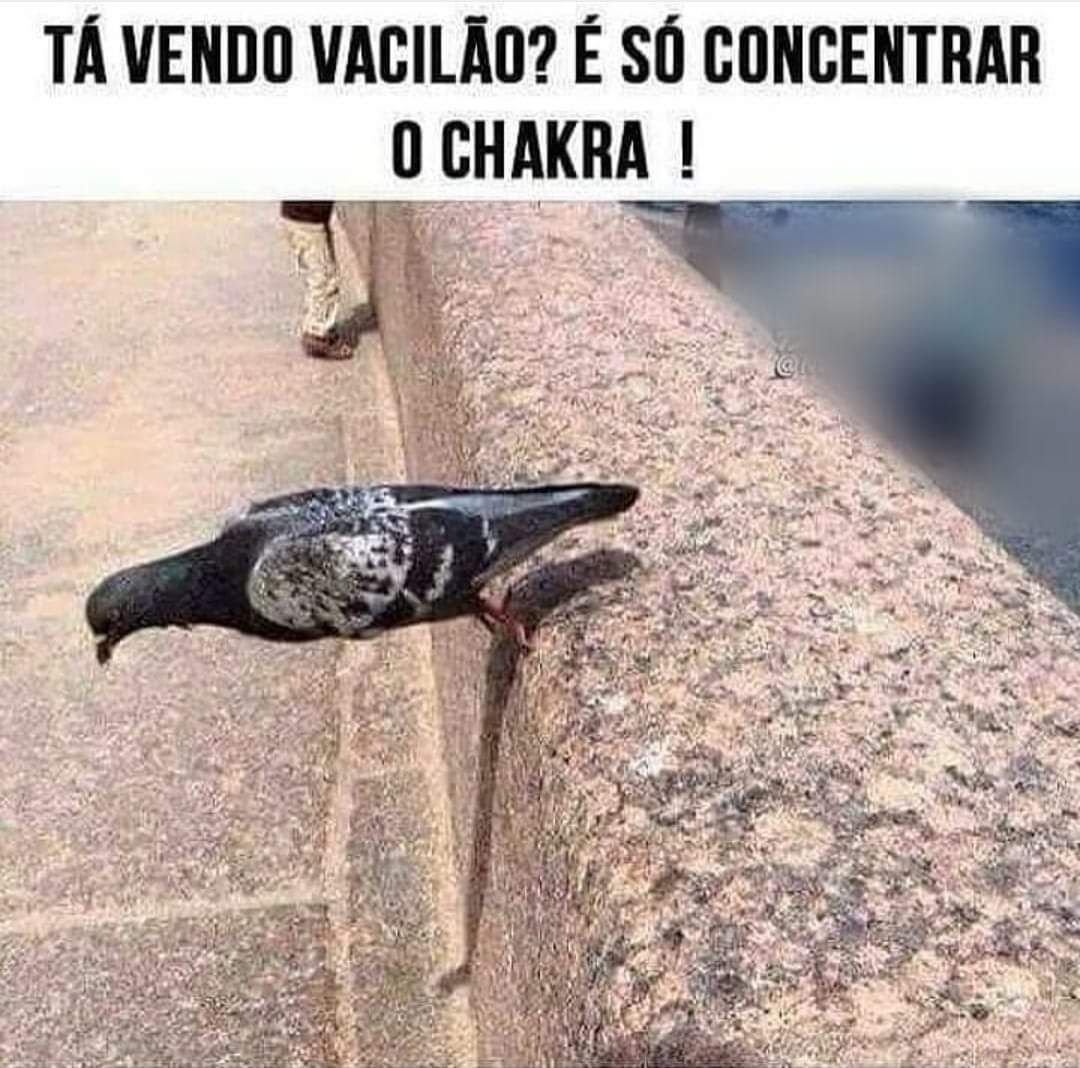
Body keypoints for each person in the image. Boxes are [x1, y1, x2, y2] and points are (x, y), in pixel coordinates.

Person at [280, 201, 354, 360]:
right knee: (324, 279)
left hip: (302, 221)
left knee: (318, 276)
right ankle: (318, 333)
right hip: (307, 224)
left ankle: (317, 324)